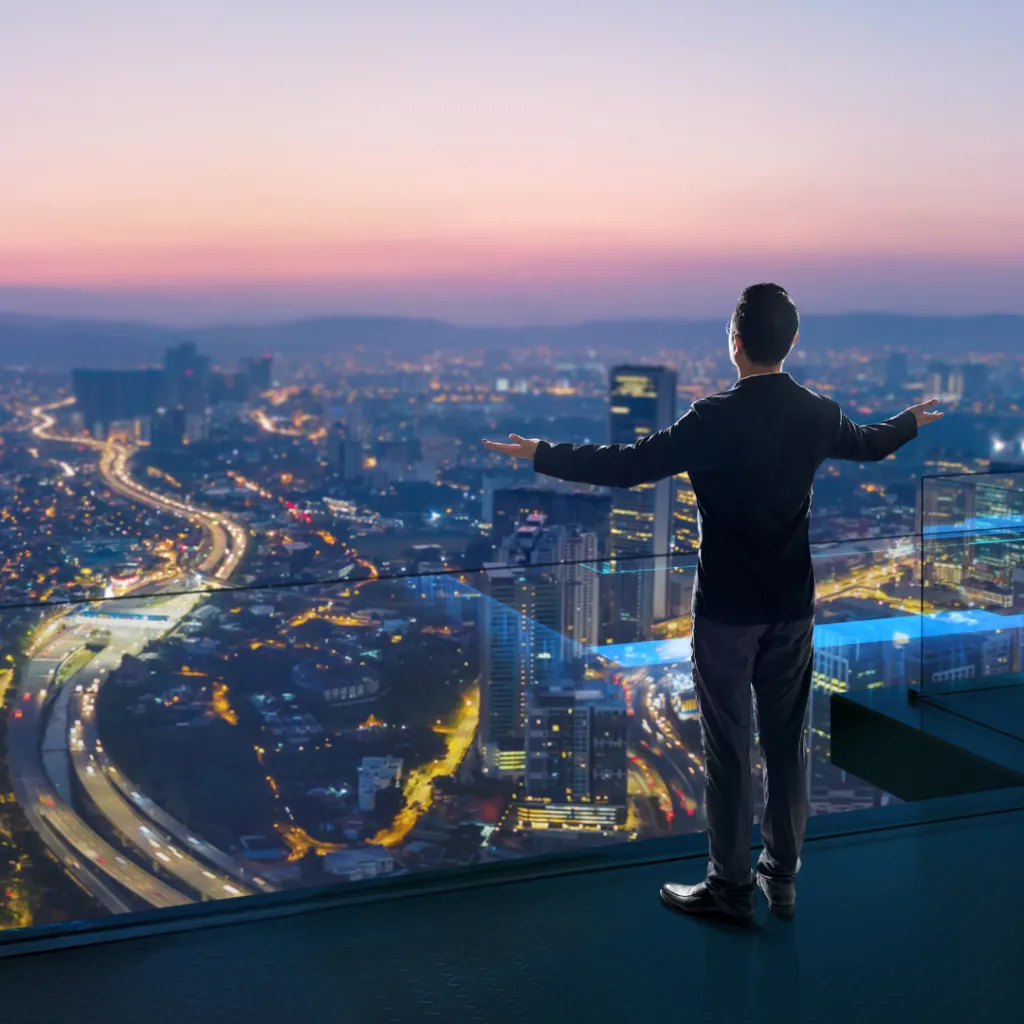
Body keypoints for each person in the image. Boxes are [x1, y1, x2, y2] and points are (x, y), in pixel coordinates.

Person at [483, 283, 941, 926]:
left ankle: (729, 889)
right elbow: (870, 443)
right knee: (786, 749)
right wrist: (911, 422)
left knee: (730, 751)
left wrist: (540, 455)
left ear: (735, 343)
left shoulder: (712, 416)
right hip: (791, 606)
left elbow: (628, 466)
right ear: (793, 343)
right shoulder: (817, 411)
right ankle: (781, 879)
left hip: (726, 610)